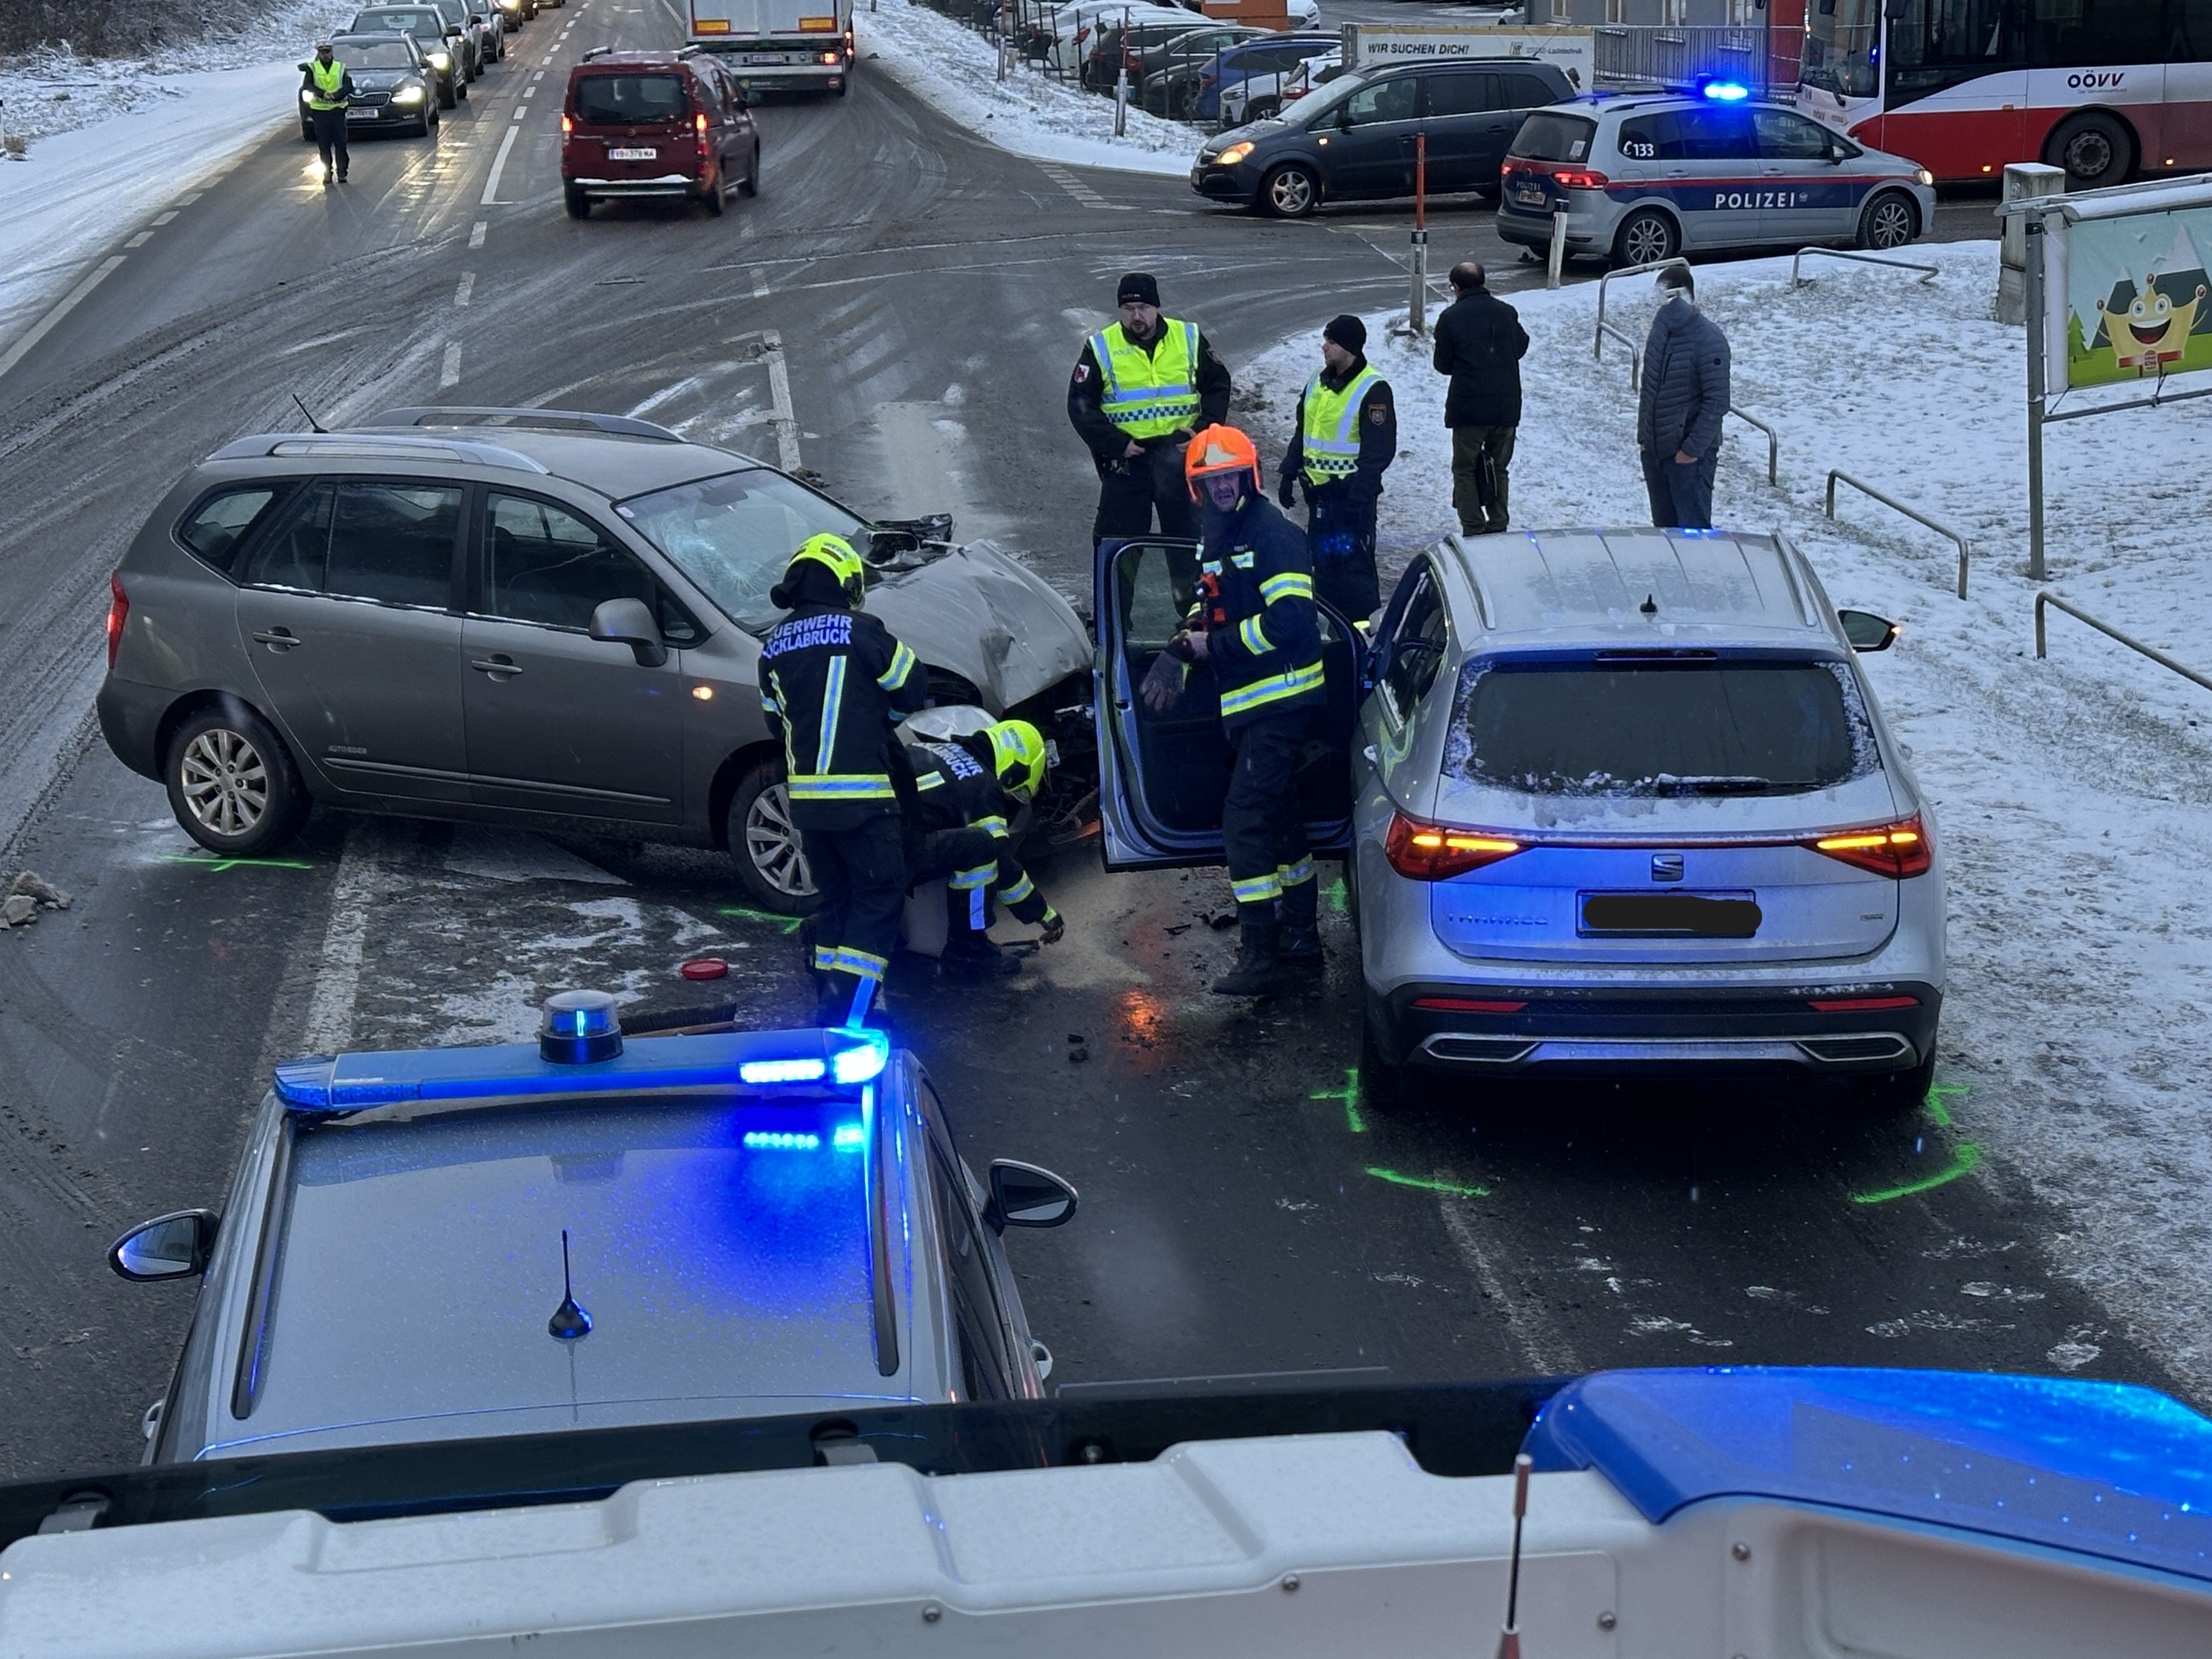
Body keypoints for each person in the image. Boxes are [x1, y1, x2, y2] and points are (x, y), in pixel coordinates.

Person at [1139, 425, 1325, 998]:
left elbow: (1292, 620)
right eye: (1210, 479)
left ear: (1249, 476)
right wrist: (1181, 644)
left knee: (1242, 820)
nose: (1221, 488)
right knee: (1280, 817)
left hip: (1280, 699)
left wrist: (1211, 648)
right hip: (1252, 703)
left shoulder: (1272, 534)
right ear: (1198, 487)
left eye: (1229, 477)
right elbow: (1211, 603)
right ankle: (1301, 939)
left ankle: (1260, 954)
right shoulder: (1216, 534)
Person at [758, 533, 927, 1028]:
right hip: (867, 803)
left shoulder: (772, 647)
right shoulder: (864, 630)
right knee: (878, 902)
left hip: (807, 808)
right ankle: (854, 1018)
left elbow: (776, 722)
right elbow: (911, 690)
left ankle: (831, 1005)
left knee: (836, 902)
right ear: (848, 583)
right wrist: (878, 716)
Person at [1068, 273, 1233, 551]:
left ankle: (1191, 596)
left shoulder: (1188, 338)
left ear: (1156, 308)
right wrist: (1116, 444)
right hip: (1129, 462)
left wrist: (1204, 431)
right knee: (1117, 548)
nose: (1136, 316)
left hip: (1179, 458)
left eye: (1143, 308)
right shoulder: (1101, 347)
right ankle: (1120, 597)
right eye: (1128, 309)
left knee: (1190, 548)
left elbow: (1218, 384)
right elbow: (1079, 404)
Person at [902, 720, 1065, 978]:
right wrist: (1043, 913)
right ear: (1016, 770)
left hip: (861, 836)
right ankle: (968, 951)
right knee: (981, 849)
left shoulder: (936, 748)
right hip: (892, 851)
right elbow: (1001, 862)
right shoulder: (983, 786)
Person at [1278, 314, 1395, 623]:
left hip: (1349, 500)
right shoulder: (1317, 381)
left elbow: (1379, 452)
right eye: (1326, 340)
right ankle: (1330, 630)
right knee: (1324, 565)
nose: (1324, 347)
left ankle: (1359, 635)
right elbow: (1304, 432)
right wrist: (1289, 472)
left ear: (1350, 348)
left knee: (1354, 570)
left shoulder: (1373, 389)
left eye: (1331, 342)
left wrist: (1358, 498)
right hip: (1319, 498)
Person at [1431, 261, 1528, 536]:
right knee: (1499, 467)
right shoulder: (1506, 313)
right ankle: (1498, 523)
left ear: (1457, 287)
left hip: (1469, 407)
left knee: (1464, 468)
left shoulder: (1451, 318)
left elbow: (1443, 365)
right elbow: (1521, 346)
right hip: (1506, 406)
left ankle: (1473, 526)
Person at [1637, 265, 1731, 531]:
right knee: (1667, 535)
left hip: (1689, 461)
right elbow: (1649, 388)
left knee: (1693, 538)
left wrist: (1690, 451)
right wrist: (1644, 440)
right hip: (1658, 454)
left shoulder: (1708, 339)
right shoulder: (1660, 331)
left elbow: (1717, 401)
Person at [302, 43, 356, 187]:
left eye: (328, 52)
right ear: (319, 54)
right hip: (320, 113)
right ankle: (327, 174)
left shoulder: (340, 67)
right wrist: (322, 94)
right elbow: (307, 86)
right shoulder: (313, 69)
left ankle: (342, 173)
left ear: (332, 52)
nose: (326, 55)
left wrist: (337, 95)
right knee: (324, 146)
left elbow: (349, 86)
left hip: (337, 112)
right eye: (323, 52)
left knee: (341, 145)